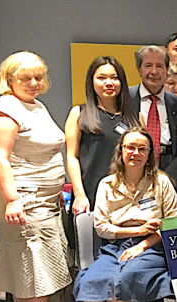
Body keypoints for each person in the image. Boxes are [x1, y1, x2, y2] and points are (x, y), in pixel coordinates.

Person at [74, 127, 177, 302]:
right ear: (120, 151)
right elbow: (101, 226)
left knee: (122, 280)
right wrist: (132, 231)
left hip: (152, 247)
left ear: (150, 154)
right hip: (115, 246)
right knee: (89, 283)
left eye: (142, 148)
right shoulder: (106, 184)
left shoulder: (161, 182)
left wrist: (142, 243)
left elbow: (171, 222)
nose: (135, 153)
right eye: (130, 147)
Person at [0, 51, 70, 302]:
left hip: (43, 201)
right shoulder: (4, 110)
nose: (34, 83)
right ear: (9, 80)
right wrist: (12, 199)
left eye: (39, 77)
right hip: (24, 201)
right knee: (37, 271)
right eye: (26, 78)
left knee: (29, 268)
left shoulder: (34, 105)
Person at [66, 56, 141, 217]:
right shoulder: (79, 113)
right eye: (101, 78)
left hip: (128, 195)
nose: (109, 83)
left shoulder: (135, 117)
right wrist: (79, 194)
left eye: (114, 78)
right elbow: (72, 157)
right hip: (90, 194)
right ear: (91, 82)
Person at [129, 45, 177, 170]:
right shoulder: (125, 99)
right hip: (134, 164)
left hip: (170, 165)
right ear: (139, 70)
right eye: (148, 66)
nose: (154, 72)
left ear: (167, 70)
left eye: (159, 66)